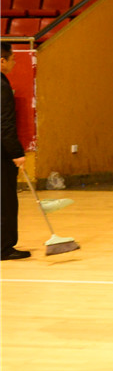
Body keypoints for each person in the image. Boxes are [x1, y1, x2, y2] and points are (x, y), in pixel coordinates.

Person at [1, 44, 29, 261]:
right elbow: (5, 124)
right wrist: (16, 153)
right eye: (12, 59)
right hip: (2, 155)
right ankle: (4, 247)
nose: (14, 63)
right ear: (2, 61)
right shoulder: (2, 86)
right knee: (5, 200)